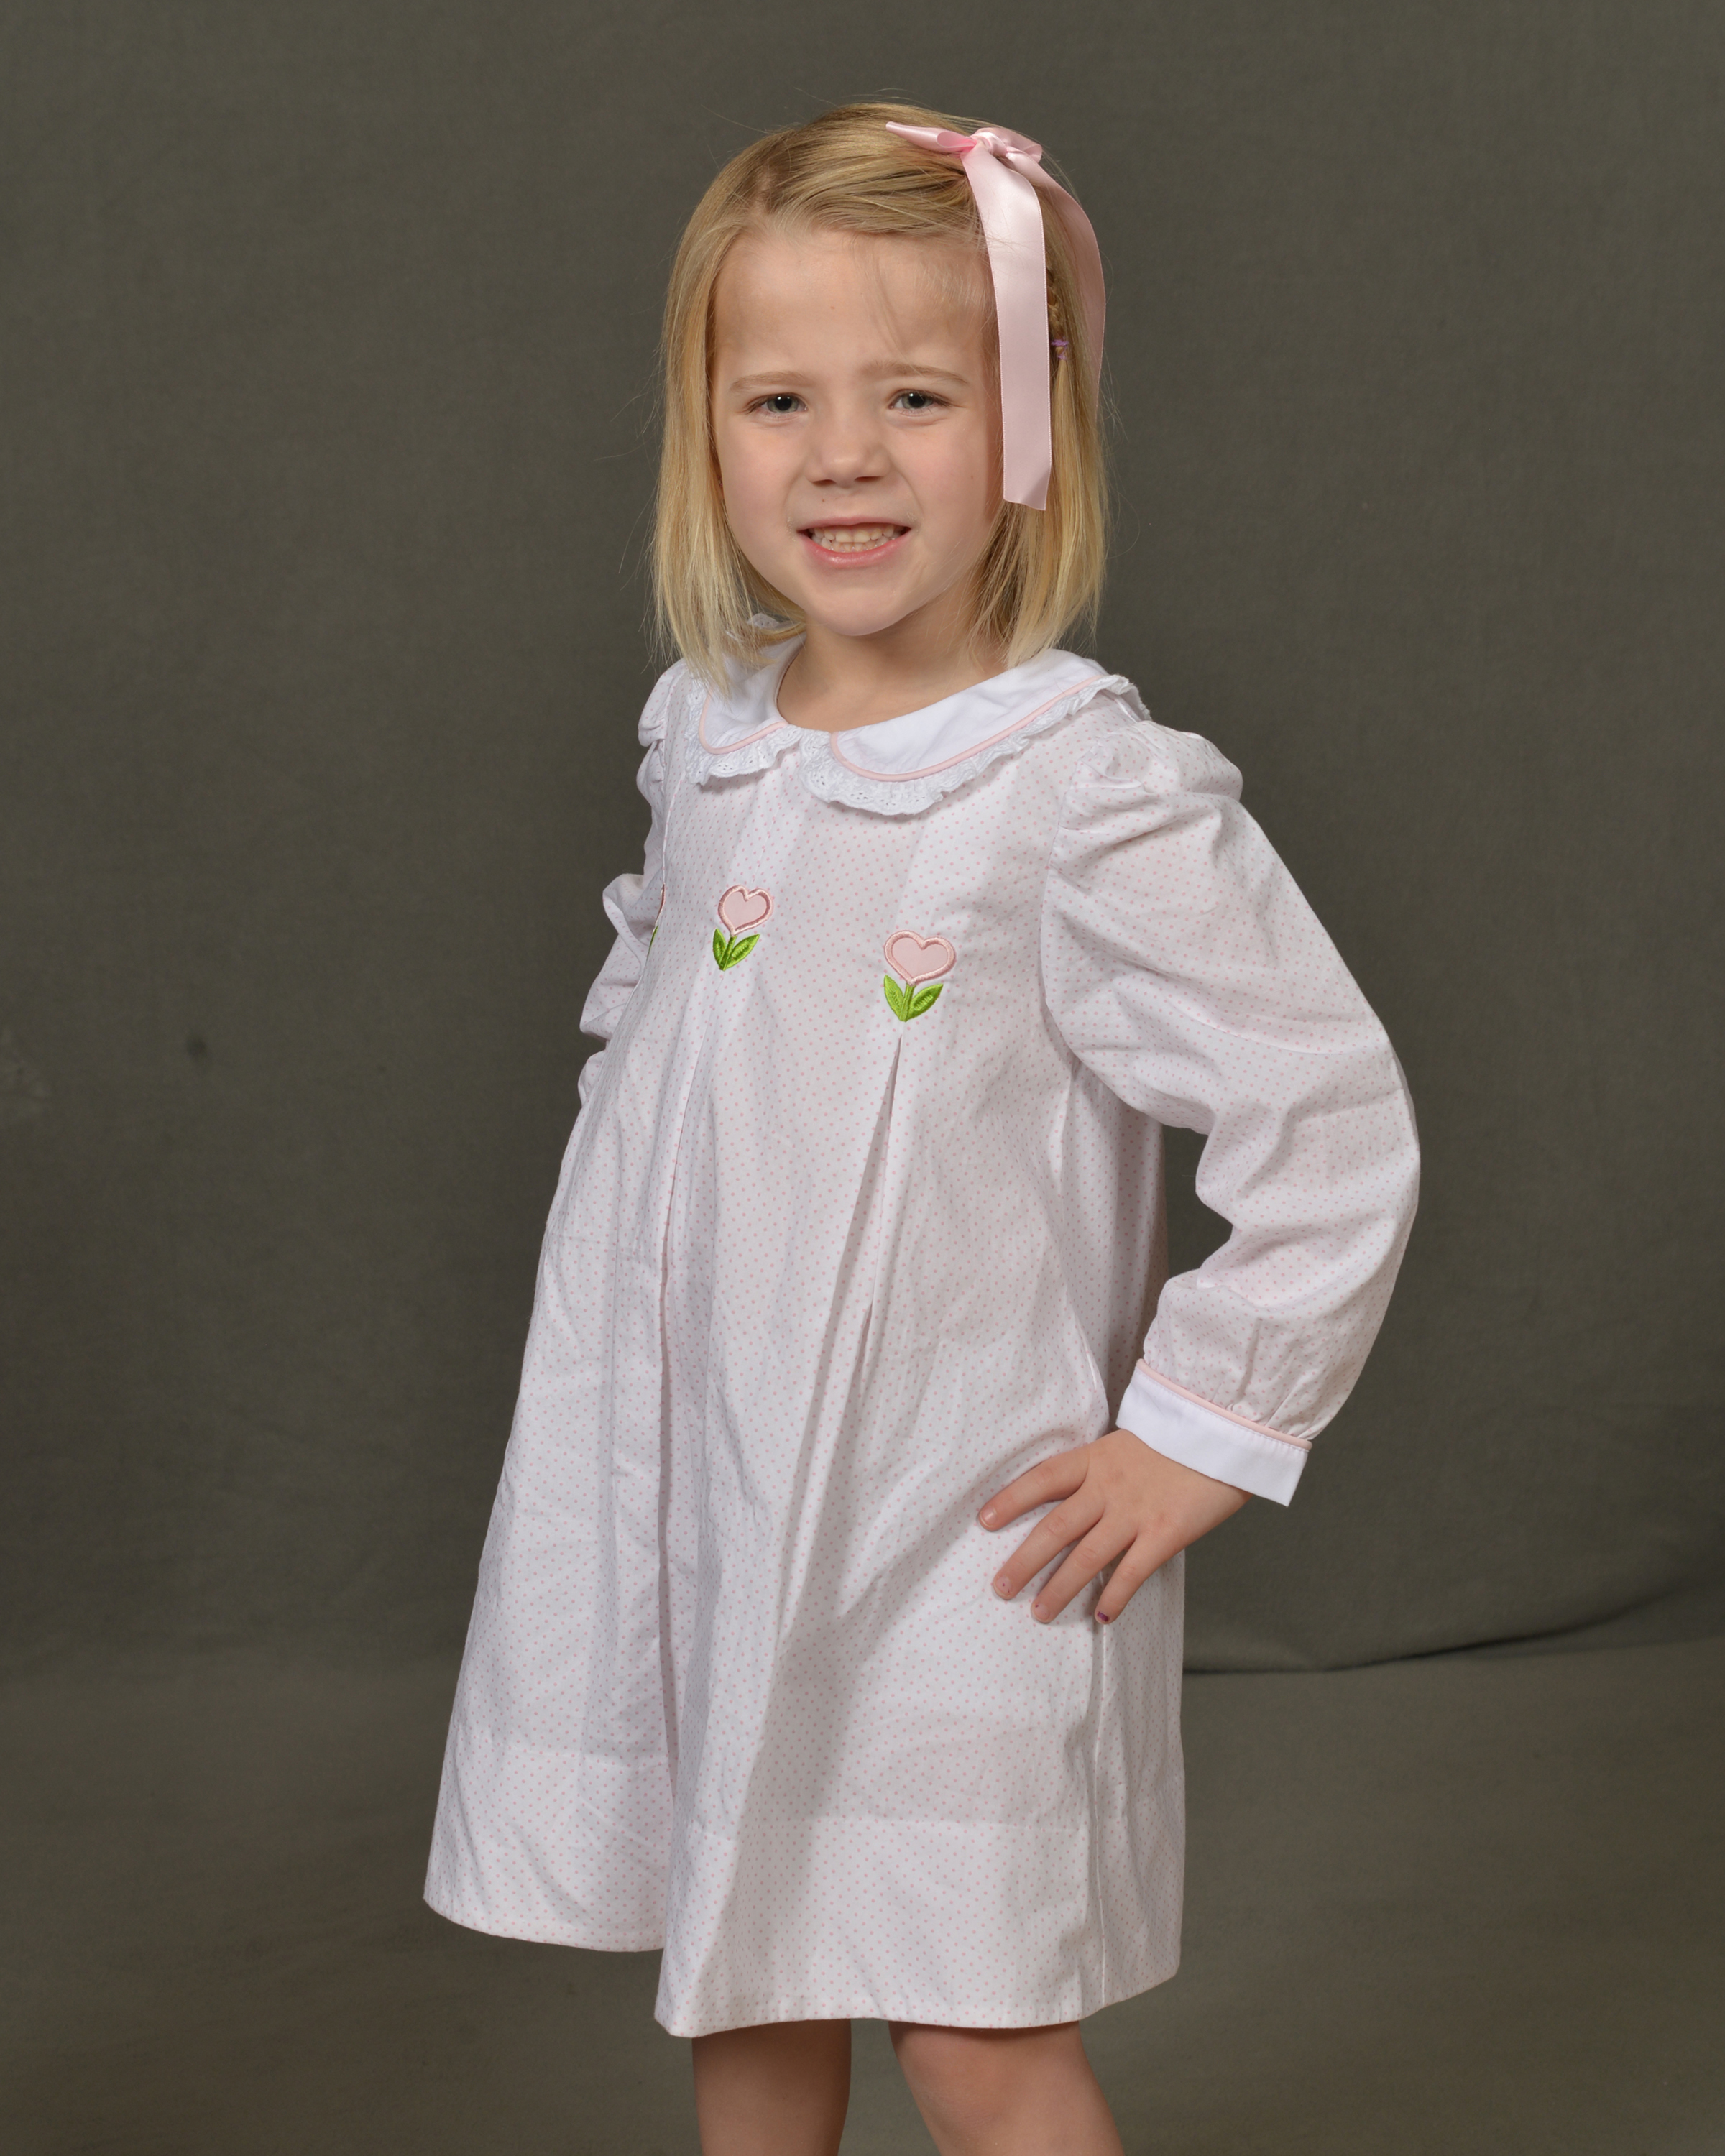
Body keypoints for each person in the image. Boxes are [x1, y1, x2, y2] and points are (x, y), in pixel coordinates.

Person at [425, 101, 1420, 2156]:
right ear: (709, 434)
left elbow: (1327, 1118)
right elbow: (665, 1024)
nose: (844, 457)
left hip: (954, 1526)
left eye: (916, 396)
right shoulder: (707, 733)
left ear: (1031, 426)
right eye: (780, 399)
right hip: (719, 1489)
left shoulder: (1081, 791)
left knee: (973, 2039)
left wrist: (1196, 1432)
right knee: (749, 1982)